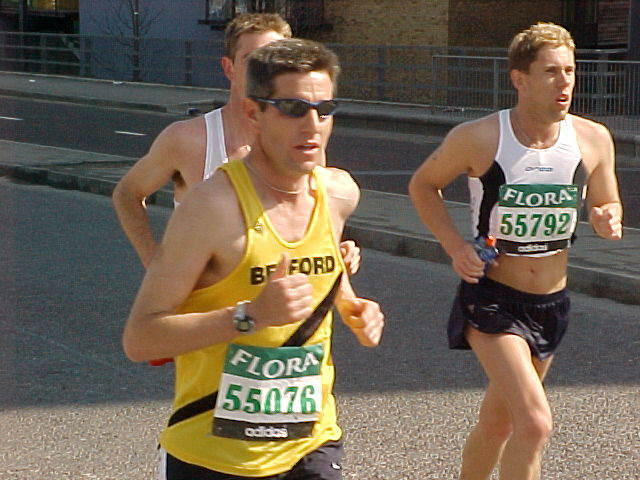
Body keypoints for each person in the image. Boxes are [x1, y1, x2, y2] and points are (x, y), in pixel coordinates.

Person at [122, 38, 384, 480]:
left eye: (324, 110)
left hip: (311, 441)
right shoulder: (211, 208)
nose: (313, 125)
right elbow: (140, 339)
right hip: (213, 454)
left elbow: (321, 269)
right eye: (292, 108)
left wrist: (352, 306)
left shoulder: (339, 193)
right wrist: (250, 316)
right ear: (252, 112)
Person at [409, 22, 622, 480]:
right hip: (492, 299)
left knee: (499, 423)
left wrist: (608, 217)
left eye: (570, 71)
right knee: (535, 422)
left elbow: (607, 201)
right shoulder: (480, 137)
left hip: (550, 301)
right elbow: (423, 185)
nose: (564, 83)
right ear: (519, 79)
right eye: (551, 72)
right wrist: (454, 246)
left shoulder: (593, 138)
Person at [111, 13, 360, 274]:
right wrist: (154, 262)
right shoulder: (188, 139)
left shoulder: (299, 144)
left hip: (278, 296)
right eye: (253, 60)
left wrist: (334, 252)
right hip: (203, 297)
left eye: (276, 61)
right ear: (229, 68)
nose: (266, 72)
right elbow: (127, 193)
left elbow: (310, 221)